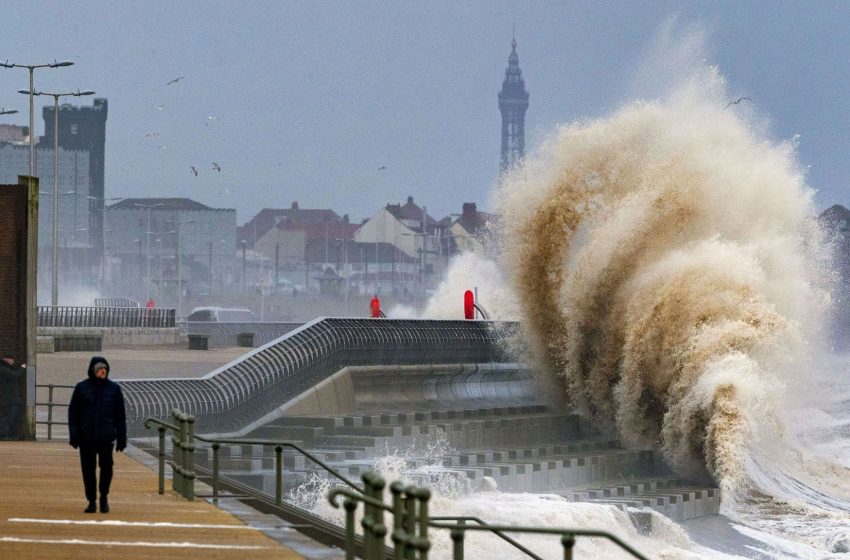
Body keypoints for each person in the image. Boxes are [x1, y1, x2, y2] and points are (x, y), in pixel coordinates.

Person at [68, 356, 127, 514]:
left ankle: (104, 497)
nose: (103, 371)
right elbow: (73, 413)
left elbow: (120, 416)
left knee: (107, 468)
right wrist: (74, 435)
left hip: (106, 437)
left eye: (105, 369)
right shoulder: (81, 388)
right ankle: (91, 501)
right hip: (85, 437)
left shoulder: (114, 389)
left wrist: (122, 438)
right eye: (100, 369)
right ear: (93, 370)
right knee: (88, 470)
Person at [0, 355, 26, 440]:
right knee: (8, 416)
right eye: (12, 359)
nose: (13, 361)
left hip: (12, 397)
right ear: (7, 360)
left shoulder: (5, 368)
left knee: (13, 416)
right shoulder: (3, 368)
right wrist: (22, 368)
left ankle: (10, 434)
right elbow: (14, 375)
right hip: (8, 397)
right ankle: (3, 434)